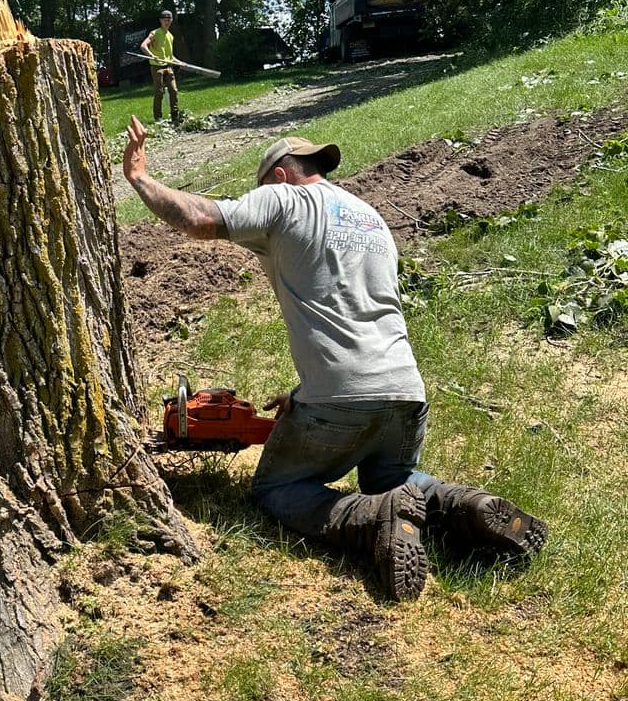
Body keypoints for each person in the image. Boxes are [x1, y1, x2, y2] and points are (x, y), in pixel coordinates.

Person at [121, 115, 547, 601]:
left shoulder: (283, 198)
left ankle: (369, 520)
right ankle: (467, 504)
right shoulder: (371, 218)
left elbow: (200, 219)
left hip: (341, 398)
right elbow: (354, 313)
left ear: (279, 175)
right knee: (392, 477)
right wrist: (304, 393)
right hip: (405, 393)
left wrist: (140, 178)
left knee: (275, 491)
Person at [140, 10, 180, 124]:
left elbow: (170, 56)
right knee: (159, 92)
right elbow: (143, 46)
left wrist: (180, 62)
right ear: (161, 21)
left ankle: (175, 116)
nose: (167, 22)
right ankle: (158, 118)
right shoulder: (155, 33)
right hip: (157, 67)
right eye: (165, 20)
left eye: (169, 20)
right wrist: (152, 56)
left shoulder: (170, 36)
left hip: (168, 66)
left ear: (171, 20)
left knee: (174, 90)